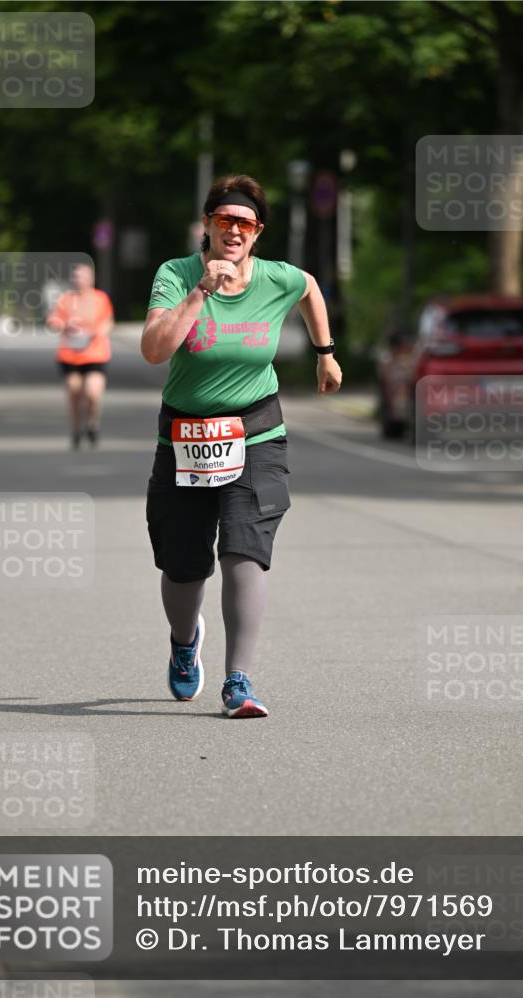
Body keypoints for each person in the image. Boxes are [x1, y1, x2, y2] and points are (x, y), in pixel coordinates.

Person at [142, 174, 342, 718]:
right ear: (206, 225)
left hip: (256, 432)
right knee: (183, 563)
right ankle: (185, 645)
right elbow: (155, 351)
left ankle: (239, 681)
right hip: (186, 434)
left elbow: (309, 288)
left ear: (258, 234)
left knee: (244, 550)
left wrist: (325, 351)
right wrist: (201, 290)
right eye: (224, 221)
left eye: (245, 224)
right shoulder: (176, 275)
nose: (234, 231)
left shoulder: (276, 278)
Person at [47, 263, 114, 449]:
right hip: (70, 355)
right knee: (74, 390)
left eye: (83, 276)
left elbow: (108, 322)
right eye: (76, 277)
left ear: (91, 279)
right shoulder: (66, 299)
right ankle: (76, 430)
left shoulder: (100, 299)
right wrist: (64, 326)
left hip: (95, 354)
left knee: (93, 392)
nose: (79, 280)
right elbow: (53, 321)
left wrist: (96, 333)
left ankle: (92, 424)